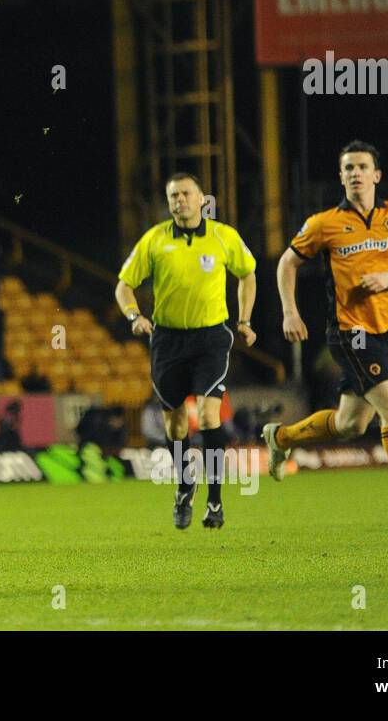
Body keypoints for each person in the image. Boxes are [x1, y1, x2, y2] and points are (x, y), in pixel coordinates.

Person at [265, 140, 388, 523]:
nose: (355, 173)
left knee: (350, 424)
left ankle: (281, 438)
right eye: (348, 168)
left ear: (376, 175)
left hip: (384, 330)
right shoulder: (324, 223)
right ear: (341, 177)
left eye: (362, 167)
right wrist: (289, 311)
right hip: (350, 333)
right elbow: (287, 263)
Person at [115, 172, 257, 530]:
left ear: (200, 198)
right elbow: (123, 286)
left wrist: (245, 321)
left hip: (211, 338)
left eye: (186, 194)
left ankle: (215, 501)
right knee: (176, 425)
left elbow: (248, 274)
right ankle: (184, 485)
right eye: (174, 195)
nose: (180, 200)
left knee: (209, 418)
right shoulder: (155, 240)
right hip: (168, 341)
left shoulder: (224, 237)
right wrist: (135, 316)